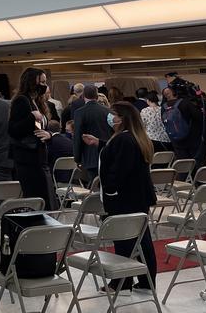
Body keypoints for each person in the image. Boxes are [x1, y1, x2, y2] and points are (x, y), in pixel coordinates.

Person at [98, 102, 157, 292]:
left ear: (122, 118)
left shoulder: (123, 140)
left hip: (123, 198)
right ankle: (147, 281)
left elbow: (119, 169)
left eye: (113, 114)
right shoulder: (136, 137)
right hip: (139, 196)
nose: (110, 117)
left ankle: (121, 282)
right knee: (142, 240)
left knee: (123, 241)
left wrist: (109, 190)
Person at [8, 68, 58, 210]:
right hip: (27, 158)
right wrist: (31, 117)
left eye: (45, 82)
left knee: (46, 196)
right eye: (41, 82)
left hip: (39, 156)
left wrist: (49, 134)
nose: (44, 85)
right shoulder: (21, 100)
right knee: (37, 197)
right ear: (31, 82)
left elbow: (42, 127)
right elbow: (13, 130)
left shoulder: (37, 101)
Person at [73, 84, 112, 180]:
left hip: (89, 155)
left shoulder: (79, 112)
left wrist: (77, 158)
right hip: (107, 153)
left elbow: (78, 136)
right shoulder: (107, 111)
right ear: (97, 96)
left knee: (94, 185)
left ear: (83, 96)